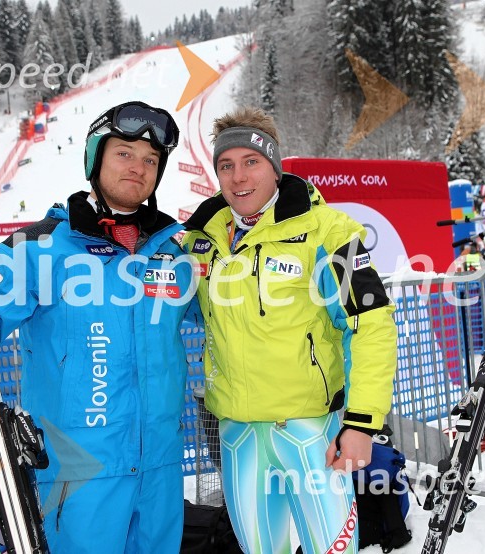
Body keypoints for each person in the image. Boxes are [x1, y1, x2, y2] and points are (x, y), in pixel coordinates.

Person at [0, 101, 199, 553]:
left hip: (161, 474)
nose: (139, 167)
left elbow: (227, 319)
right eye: (124, 153)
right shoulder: (41, 247)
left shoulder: (175, 253)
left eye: (151, 160)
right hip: (78, 471)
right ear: (95, 158)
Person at [182, 107, 398, 553]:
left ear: (275, 168)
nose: (238, 177)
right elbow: (175, 311)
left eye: (251, 162)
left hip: (310, 431)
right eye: (226, 165)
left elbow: (371, 323)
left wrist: (361, 423)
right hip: (238, 433)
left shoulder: (330, 232)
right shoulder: (199, 240)